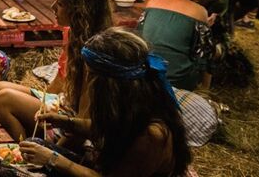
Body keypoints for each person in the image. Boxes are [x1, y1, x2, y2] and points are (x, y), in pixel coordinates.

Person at [19, 28, 192, 177]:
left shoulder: (150, 135)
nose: (88, 84)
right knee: (35, 145)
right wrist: (64, 122)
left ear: (109, 85)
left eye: (91, 76)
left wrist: (53, 159)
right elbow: (107, 129)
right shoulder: (134, 105)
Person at [0, 0, 112, 141]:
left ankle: (24, 154)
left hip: (71, 119)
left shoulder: (94, 51)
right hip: (62, 101)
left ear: (78, 11)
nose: (53, 7)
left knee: (4, 100)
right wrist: (46, 98)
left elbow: (82, 119)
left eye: (59, 4)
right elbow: (61, 81)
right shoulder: (73, 32)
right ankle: (30, 139)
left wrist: (48, 105)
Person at [138, 0, 214, 90]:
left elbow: (139, 38)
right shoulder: (199, 11)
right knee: (212, 51)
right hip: (179, 80)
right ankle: (205, 93)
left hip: (146, 74)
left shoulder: (152, 3)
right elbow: (203, 54)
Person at [186, 0, 229, 89]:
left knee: (208, 48)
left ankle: (205, 91)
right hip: (186, 30)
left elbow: (218, 30)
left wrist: (205, 25)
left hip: (212, 35)